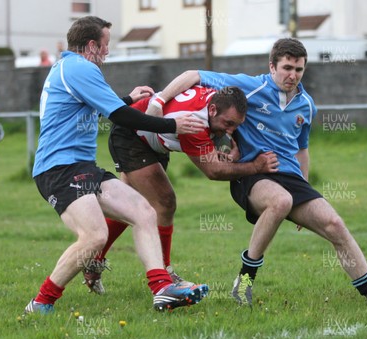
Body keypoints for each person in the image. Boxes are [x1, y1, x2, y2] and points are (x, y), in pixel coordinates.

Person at [141, 38, 367, 306]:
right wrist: (159, 101)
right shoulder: (250, 87)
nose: (292, 75)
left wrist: (305, 188)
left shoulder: (306, 106)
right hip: (251, 174)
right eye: (286, 68)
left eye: (298, 69)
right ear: (271, 66)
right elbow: (192, 75)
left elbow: (301, 150)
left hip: (289, 178)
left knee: (335, 226)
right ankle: (244, 281)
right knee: (280, 201)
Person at [24, 15, 209, 315]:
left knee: (144, 212)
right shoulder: (81, 68)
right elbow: (120, 117)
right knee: (95, 236)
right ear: (92, 45)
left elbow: (93, 109)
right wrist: (170, 124)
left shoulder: (68, 67)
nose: (108, 52)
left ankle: (161, 288)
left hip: (81, 167)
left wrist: (127, 98)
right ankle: (41, 303)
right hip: (59, 169)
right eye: (106, 45)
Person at [81, 85, 279, 294]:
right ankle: (165, 275)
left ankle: (93, 263)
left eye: (236, 126)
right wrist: (256, 167)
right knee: (165, 202)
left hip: (155, 139)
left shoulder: (218, 100)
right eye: (228, 124)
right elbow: (214, 171)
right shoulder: (193, 121)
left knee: (130, 207)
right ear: (212, 110)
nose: (230, 131)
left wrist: (232, 142)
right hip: (132, 135)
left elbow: (218, 131)